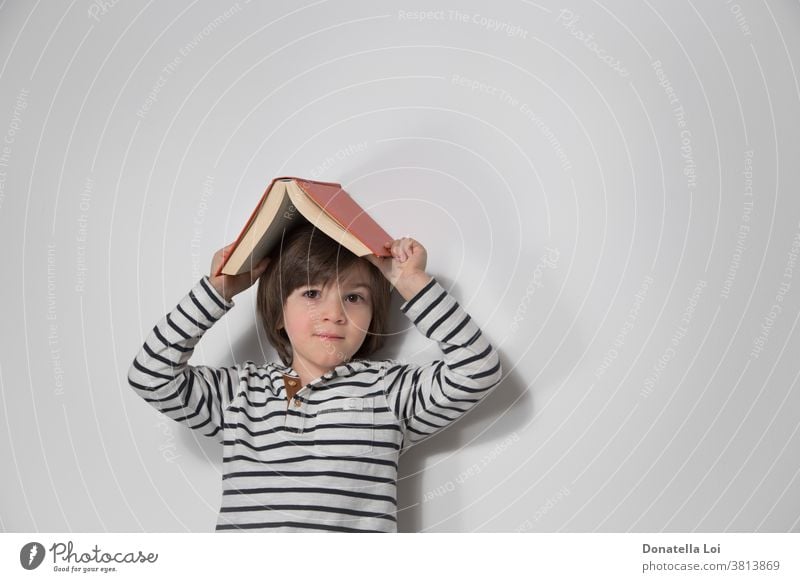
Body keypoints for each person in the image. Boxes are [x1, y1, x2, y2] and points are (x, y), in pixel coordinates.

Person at [128, 223, 502, 532]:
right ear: (278, 315)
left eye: (354, 298)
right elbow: (150, 374)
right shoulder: (239, 394)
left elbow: (477, 369)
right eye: (311, 293)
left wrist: (411, 283)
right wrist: (219, 290)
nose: (334, 314)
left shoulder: (387, 392)